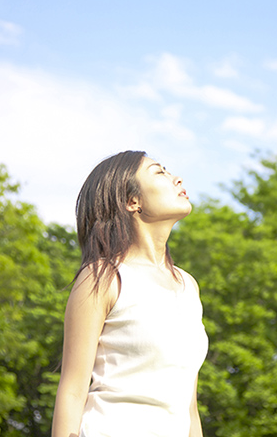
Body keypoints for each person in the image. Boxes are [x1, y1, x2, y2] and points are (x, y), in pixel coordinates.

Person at [51, 150, 208, 437]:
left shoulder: (188, 286)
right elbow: (72, 391)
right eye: (160, 172)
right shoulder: (103, 277)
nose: (177, 178)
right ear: (132, 201)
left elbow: (189, 407)